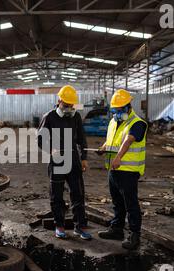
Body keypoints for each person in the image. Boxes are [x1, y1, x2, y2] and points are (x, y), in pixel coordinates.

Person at [37, 85, 91, 240]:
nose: (68, 108)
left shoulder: (76, 117)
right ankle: (59, 226)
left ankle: (79, 226)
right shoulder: (49, 117)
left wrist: (84, 158)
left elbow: (82, 139)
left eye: (71, 106)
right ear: (59, 101)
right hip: (57, 161)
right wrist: (50, 149)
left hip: (73, 160)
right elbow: (40, 139)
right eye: (66, 105)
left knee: (78, 194)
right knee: (57, 195)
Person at [96, 89, 148, 250]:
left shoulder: (137, 123)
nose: (117, 113)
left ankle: (134, 235)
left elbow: (128, 140)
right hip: (113, 169)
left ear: (128, 107)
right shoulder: (113, 122)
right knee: (117, 202)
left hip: (128, 171)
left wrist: (118, 157)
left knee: (130, 203)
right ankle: (117, 229)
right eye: (115, 111)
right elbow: (111, 140)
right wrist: (103, 147)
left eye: (120, 110)